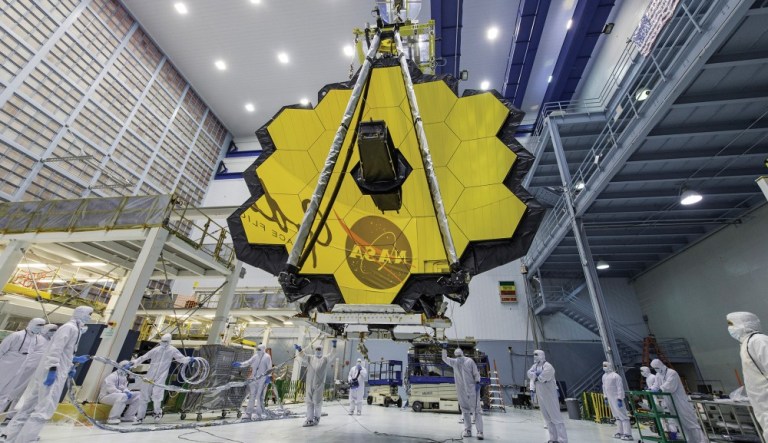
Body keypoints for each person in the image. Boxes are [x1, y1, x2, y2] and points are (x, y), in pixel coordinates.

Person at [2, 307, 93, 443]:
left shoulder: (74, 329)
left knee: (28, 407)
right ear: (82, 314)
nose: (90, 317)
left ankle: (9, 437)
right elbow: (55, 350)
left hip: (52, 371)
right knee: (44, 409)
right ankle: (27, 439)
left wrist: (72, 362)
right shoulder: (70, 328)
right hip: (52, 374)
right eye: (89, 315)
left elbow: (64, 352)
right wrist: (52, 370)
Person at [130, 333, 191, 422]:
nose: (164, 343)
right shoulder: (156, 350)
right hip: (150, 375)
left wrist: (189, 359)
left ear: (169, 341)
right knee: (144, 396)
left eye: (165, 341)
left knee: (157, 396)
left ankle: (157, 413)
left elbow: (181, 359)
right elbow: (144, 357)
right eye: (162, 341)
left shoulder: (172, 350)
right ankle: (140, 417)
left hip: (161, 376)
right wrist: (133, 363)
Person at [727, 312, 767, 442]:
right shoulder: (746, 344)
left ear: (744, 324)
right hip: (762, 405)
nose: (729, 328)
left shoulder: (758, 340)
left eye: (731, 324)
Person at [0, 324, 58, 414]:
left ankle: (10, 416)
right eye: (52, 330)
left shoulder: (51, 343)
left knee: (21, 394)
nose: (53, 333)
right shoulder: (36, 338)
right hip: (24, 368)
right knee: (10, 392)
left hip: (34, 371)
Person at [650, 358, 706, 443]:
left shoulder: (672, 373)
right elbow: (656, 385)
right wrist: (651, 389)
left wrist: (660, 389)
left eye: (656, 367)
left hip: (680, 401)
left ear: (660, 365)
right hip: (670, 402)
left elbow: (670, 386)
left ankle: (701, 441)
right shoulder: (658, 375)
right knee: (680, 423)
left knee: (690, 422)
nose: (655, 369)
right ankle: (689, 441)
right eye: (654, 368)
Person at [442, 346, 484, 440]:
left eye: (459, 356)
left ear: (461, 355)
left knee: (476, 410)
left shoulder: (469, 361)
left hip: (472, 389)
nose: (459, 359)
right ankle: (468, 430)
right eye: (458, 357)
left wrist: (477, 382)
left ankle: (480, 431)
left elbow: (475, 373)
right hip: (462, 390)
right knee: (465, 410)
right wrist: (444, 349)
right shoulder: (455, 362)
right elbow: (445, 358)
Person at [528, 349, 568, 443]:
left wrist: (535, 376)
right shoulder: (535, 366)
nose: (535, 357)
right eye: (534, 355)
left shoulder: (548, 366)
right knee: (547, 418)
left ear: (541, 355)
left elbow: (542, 378)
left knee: (556, 417)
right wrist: (534, 376)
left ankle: (562, 440)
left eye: (536, 355)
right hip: (540, 395)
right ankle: (553, 438)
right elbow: (529, 374)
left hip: (550, 395)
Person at [295, 339, 336, 427]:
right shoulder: (310, 358)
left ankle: (317, 418)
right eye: (316, 349)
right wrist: (299, 350)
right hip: (309, 383)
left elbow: (332, 355)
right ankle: (309, 419)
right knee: (309, 401)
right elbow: (303, 356)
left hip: (319, 385)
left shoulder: (325, 359)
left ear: (321, 350)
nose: (317, 351)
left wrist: (334, 346)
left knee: (317, 402)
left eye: (319, 349)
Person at [232, 344, 272, 420]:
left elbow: (269, 367)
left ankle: (258, 413)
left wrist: (268, 377)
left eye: (259, 349)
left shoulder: (267, 357)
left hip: (262, 379)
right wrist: (240, 364)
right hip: (253, 378)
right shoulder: (255, 356)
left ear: (263, 349)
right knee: (252, 395)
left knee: (259, 396)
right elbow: (248, 362)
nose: (258, 351)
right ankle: (248, 413)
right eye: (257, 349)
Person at [99, 361, 141, 425]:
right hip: (105, 397)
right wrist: (123, 393)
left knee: (139, 395)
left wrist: (127, 392)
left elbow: (124, 387)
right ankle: (112, 418)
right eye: (127, 368)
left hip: (120, 396)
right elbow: (111, 389)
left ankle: (129, 416)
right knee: (123, 396)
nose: (128, 370)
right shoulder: (112, 376)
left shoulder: (123, 377)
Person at [602, 361, 632, 441]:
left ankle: (628, 434)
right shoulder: (604, 376)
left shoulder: (616, 376)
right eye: (603, 366)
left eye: (605, 365)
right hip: (610, 398)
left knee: (623, 416)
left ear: (609, 366)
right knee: (616, 416)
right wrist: (605, 397)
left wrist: (620, 398)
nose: (604, 367)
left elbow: (620, 388)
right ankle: (620, 432)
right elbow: (604, 387)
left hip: (617, 398)